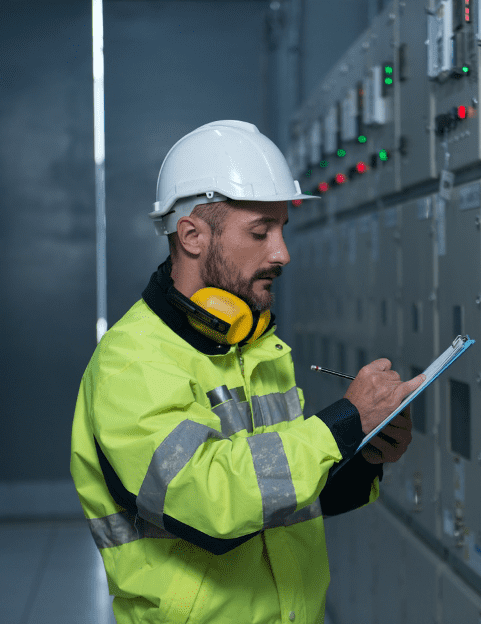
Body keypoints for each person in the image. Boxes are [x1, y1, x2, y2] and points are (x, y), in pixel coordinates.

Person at [70, 120, 424, 624]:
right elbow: (209, 501)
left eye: (282, 229)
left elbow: (279, 493)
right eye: (260, 232)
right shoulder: (133, 361)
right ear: (192, 235)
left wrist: (363, 452)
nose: (282, 253)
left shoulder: (254, 346)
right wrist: (340, 423)